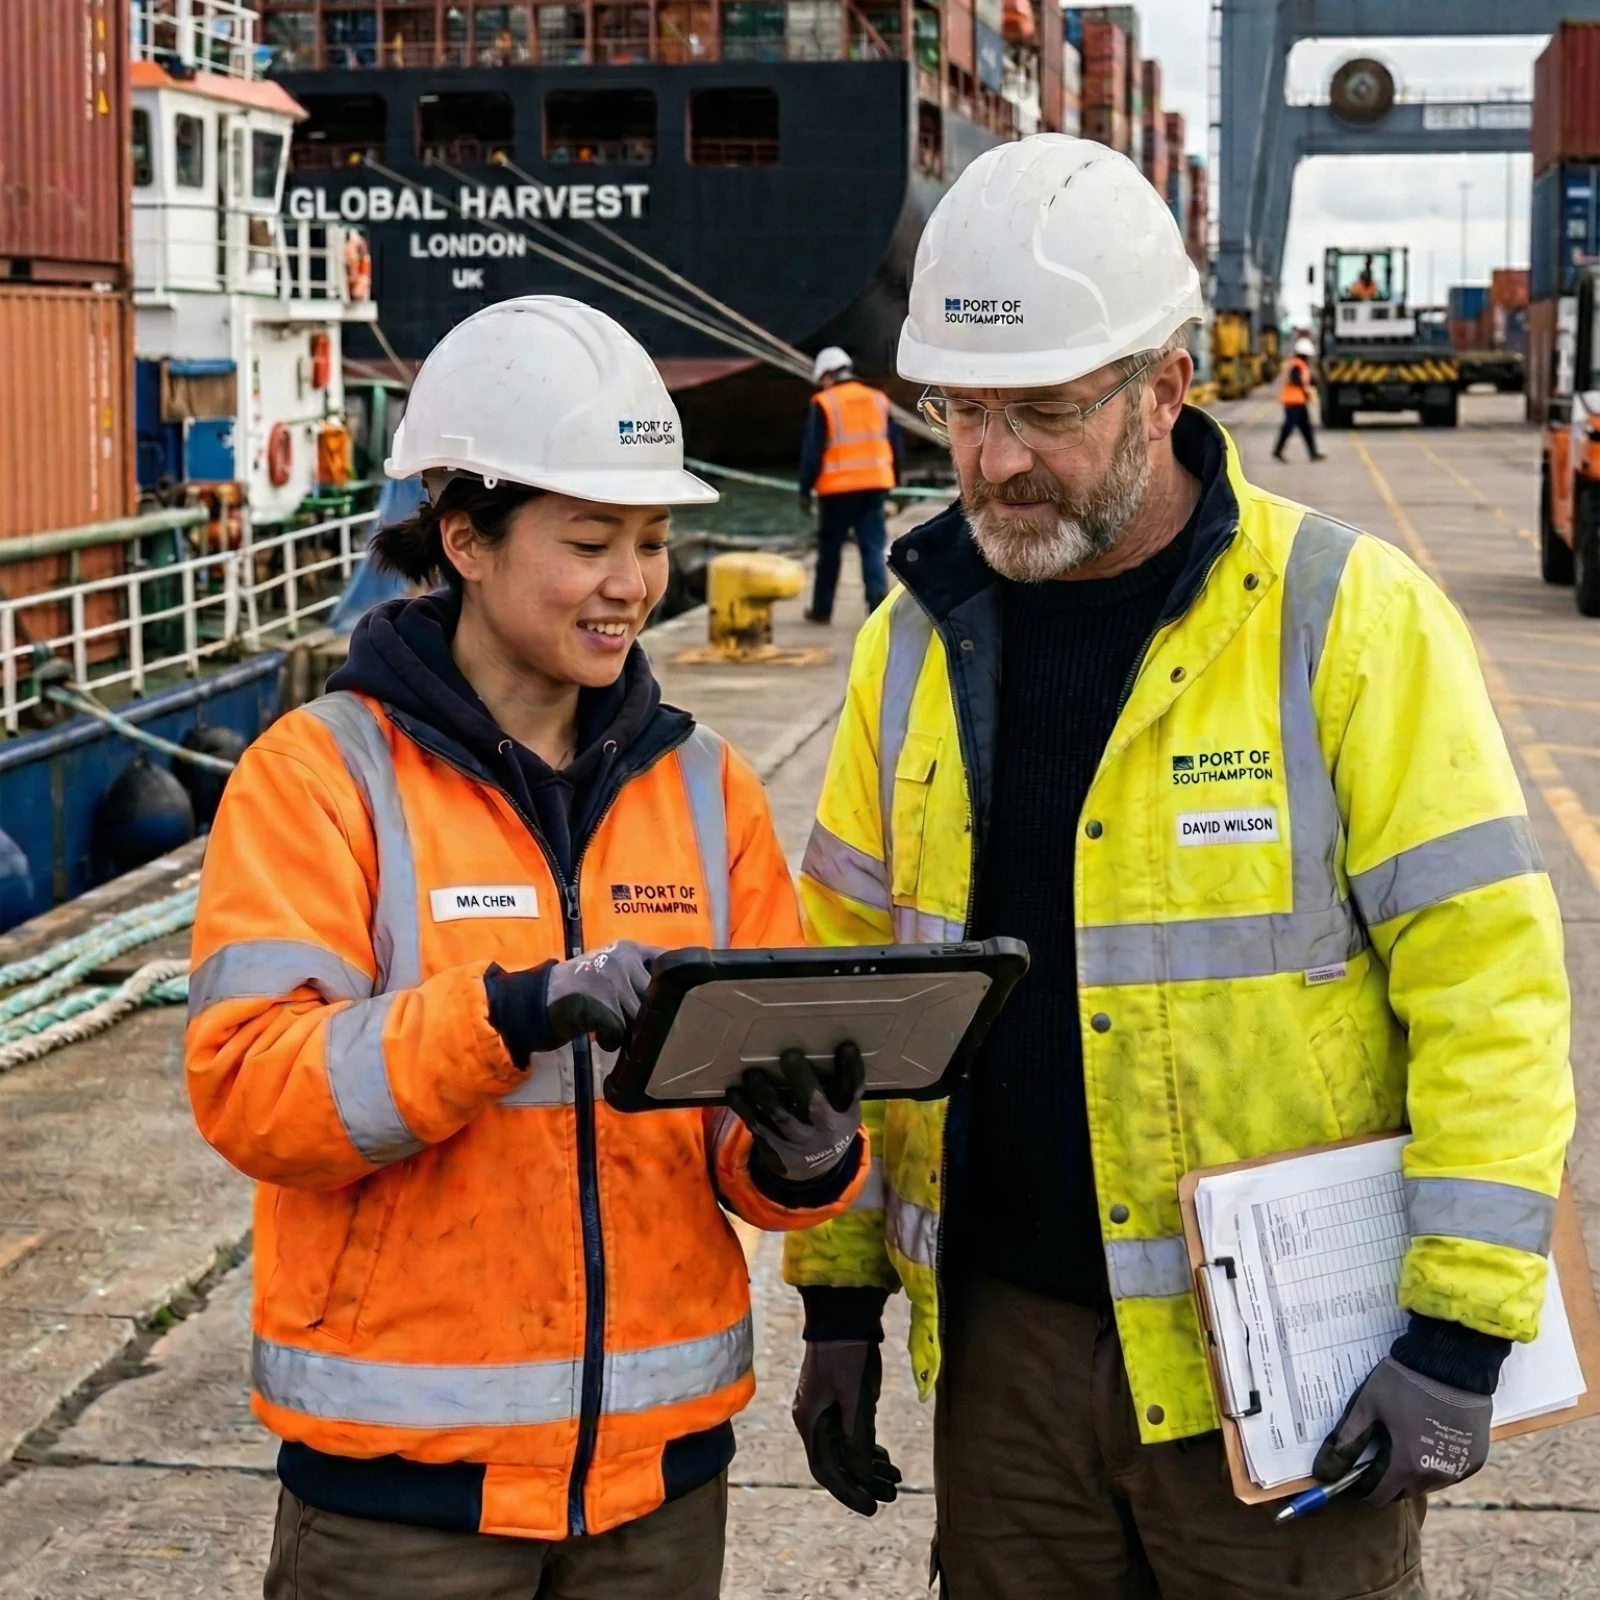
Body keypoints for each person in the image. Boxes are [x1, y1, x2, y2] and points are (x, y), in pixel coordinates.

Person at [783, 136, 1573, 1599]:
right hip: (1007, 1360)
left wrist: (1458, 1339)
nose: (994, 461)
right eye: (960, 411)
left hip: (1287, 1382)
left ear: (1165, 383)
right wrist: (838, 1295)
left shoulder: (1347, 620)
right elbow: (847, 984)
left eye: (1046, 410)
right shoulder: (912, 637)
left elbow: (1492, 996)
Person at [186, 296, 871, 1598]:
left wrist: (804, 1152)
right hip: (401, 1504)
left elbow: (742, 1115)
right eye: (591, 541)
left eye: (656, 541)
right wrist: (500, 1019)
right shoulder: (319, 778)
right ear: (468, 542)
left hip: (660, 1490)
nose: (633, 583)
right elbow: (251, 1088)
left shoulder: (707, 788)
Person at [798, 345, 901, 623]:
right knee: (872, 547)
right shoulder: (878, 399)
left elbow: (812, 452)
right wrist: (894, 480)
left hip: (836, 490)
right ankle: (877, 608)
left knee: (830, 552)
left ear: (828, 375)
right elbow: (894, 444)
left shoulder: (824, 403)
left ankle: (822, 610)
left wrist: (804, 490)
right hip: (875, 486)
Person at [1273, 334, 1325, 461]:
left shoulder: (1300, 365)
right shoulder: (1297, 365)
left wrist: (1311, 383)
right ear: (1305, 354)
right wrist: (1306, 388)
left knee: (1306, 428)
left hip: (1299, 402)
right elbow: (1296, 379)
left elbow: (1304, 380)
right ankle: (1278, 451)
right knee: (1289, 427)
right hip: (1293, 402)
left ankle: (1313, 453)